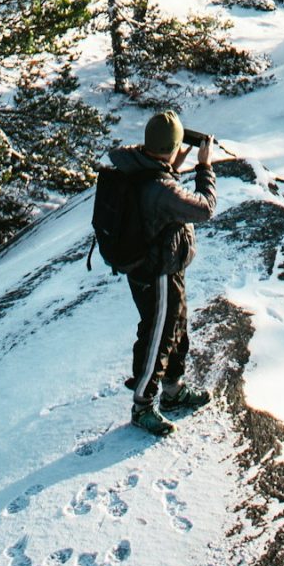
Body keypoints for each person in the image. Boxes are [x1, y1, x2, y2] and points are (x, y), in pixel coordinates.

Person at [107, 108, 217, 437]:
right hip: (155, 271)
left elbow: (158, 187)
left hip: (158, 265)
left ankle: (173, 389)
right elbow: (204, 208)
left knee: (176, 326)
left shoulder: (139, 165)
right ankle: (144, 405)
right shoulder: (161, 189)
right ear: (170, 147)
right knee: (157, 335)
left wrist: (172, 164)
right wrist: (204, 167)